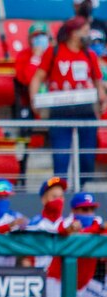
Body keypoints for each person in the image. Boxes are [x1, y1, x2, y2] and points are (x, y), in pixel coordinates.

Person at [29, 16, 105, 181]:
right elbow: (37, 78)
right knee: (61, 156)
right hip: (60, 111)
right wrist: (34, 99)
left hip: (86, 111)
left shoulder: (89, 54)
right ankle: (59, 191)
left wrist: (102, 99)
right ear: (73, 33)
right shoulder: (54, 52)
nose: (88, 36)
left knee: (86, 157)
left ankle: (83, 192)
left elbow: (98, 82)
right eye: (85, 32)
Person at [44, 192, 106, 297]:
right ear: (74, 211)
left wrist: (100, 228)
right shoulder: (66, 222)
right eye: (84, 210)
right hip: (58, 281)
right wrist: (72, 229)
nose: (88, 213)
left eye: (91, 209)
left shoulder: (97, 222)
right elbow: (63, 230)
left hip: (82, 285)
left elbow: (100, 229)